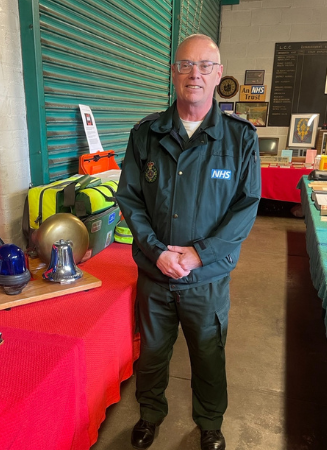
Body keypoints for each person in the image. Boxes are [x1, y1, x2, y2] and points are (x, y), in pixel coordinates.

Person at [116, 34, 260, 450]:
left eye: (203, 66)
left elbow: (246, 206)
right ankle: (149, 415)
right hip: (155, 273)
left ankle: (210, 422)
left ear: (218, 75)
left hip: (208, 279)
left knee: (209, 354)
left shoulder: (239, 139)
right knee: (154, 353)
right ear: (173, 74)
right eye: (184, 65)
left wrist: (200, 255)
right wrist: (156, 251)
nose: (193, 73)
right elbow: (130, 198)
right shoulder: (145, 134)